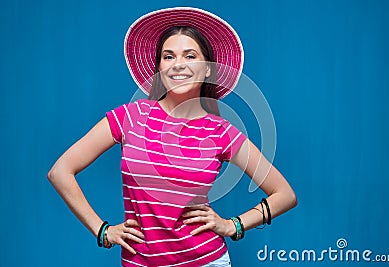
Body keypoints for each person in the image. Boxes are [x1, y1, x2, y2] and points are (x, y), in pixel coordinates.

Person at [48, 7, 297, 267]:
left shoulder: (221, 132)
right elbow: (60, 171)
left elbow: (284, 194)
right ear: (159, 67)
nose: (178, 64)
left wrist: (233, 225)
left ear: (208, 69)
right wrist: (102, 231)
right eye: (168, 57)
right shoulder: (130, 117)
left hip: (206, 261)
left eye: (190, 56)